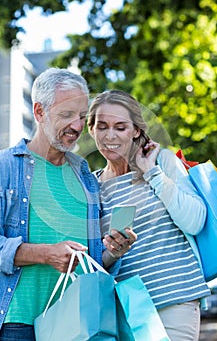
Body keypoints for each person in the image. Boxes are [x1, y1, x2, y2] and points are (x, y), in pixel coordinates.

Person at [0, 70, 136, 341]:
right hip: (18, 325)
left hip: (79, 324)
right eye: (66, 114)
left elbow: (92, 258)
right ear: (39, 111)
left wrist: (112, 252)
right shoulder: (1, 168)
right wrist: (44, 254)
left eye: (81, 115)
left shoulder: (85, 176)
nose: (77, 126)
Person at [88, 89, 210, 341]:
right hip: (126, 309)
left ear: (135, 130)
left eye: (120, 127)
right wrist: (111, 253)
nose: (110, 135)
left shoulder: (162, 162)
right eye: (102, 126)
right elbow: (92, 261)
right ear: (91, 130)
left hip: (175, 299)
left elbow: (195, 220)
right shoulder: (91, 186)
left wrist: (151, 173)